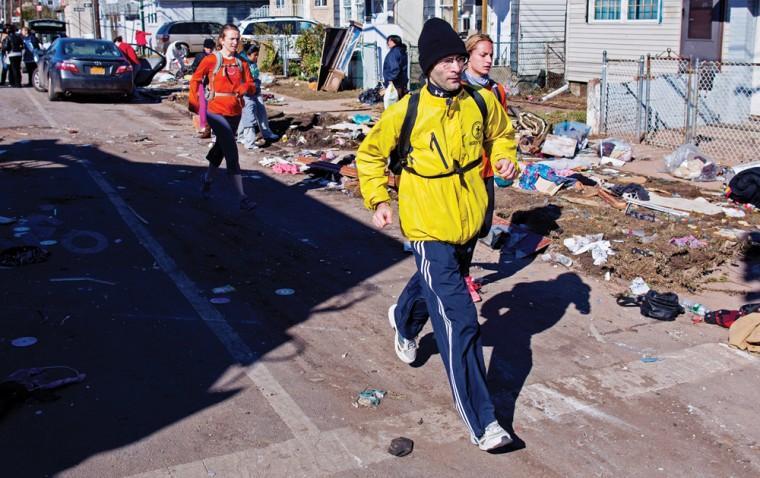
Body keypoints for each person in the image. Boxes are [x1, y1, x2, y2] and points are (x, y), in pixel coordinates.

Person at [356, 18, 519, 452]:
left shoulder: (481, 103)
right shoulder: (406, 110)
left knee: (432, 287)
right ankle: (484, 423)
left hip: (468, 221)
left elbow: (503, 136)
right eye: (447, 60)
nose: (455, 66)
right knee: (458, 318)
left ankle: (404, 320)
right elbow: (370, 155)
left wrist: (506, 160)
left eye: (459, 59)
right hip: (427, 224)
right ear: (428, 65)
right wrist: (378, 199)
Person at [459, 33, 511, 302]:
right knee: (465, 227)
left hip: (488, 170)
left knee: (483, 226)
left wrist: (506, 160)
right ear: (468, 56)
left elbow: (501, 133)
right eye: (483, 54)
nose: (490, 60)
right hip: (462, 172)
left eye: (491, 54)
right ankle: (462, 277)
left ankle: (459, 271)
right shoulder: (457, 88)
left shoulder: (497, 91)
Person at [189, 24, 257, 211]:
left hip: (235, 111)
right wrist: (195, 103)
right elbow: (195, 79)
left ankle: (207, 179)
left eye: (237, 38)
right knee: (231, 152)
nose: (235, 42)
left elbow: (252, 85)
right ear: (222, 40)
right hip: (215, 111)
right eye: (231, 38)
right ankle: (242, 198)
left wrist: (245, 88)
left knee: (221, 147)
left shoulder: (242, 63)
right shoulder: (212, 60)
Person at [237, 42, 278, 148]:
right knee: (248, 116)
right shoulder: (242, 63)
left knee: (262, 112)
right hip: (246, 93)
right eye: (255, 55)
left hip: (256, 91)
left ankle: (267, 133)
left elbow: (255, 76)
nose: (257, 57)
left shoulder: (252, 63)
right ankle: (246, 140)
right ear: (248, 54)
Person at [382, 34, 408, 99]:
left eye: (388, 41)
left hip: (395, 84)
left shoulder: (394, 52)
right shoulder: (401, 51)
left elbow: (395, 68)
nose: (387, 43)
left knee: (393, 104)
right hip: (401, 82)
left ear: (392, 41)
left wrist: (390, 79)